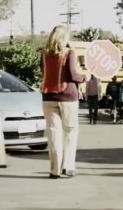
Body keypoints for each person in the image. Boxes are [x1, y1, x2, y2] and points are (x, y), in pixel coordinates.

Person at [40, 25, 89, 179]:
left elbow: (44, 72)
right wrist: (85, 77)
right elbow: (73, 76)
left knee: (53, 134)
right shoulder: (69, 53)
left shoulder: (44, 54)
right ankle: (68, 167)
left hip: (48, 97)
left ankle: (54, 170)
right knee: (70, 131)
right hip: (68, 97)